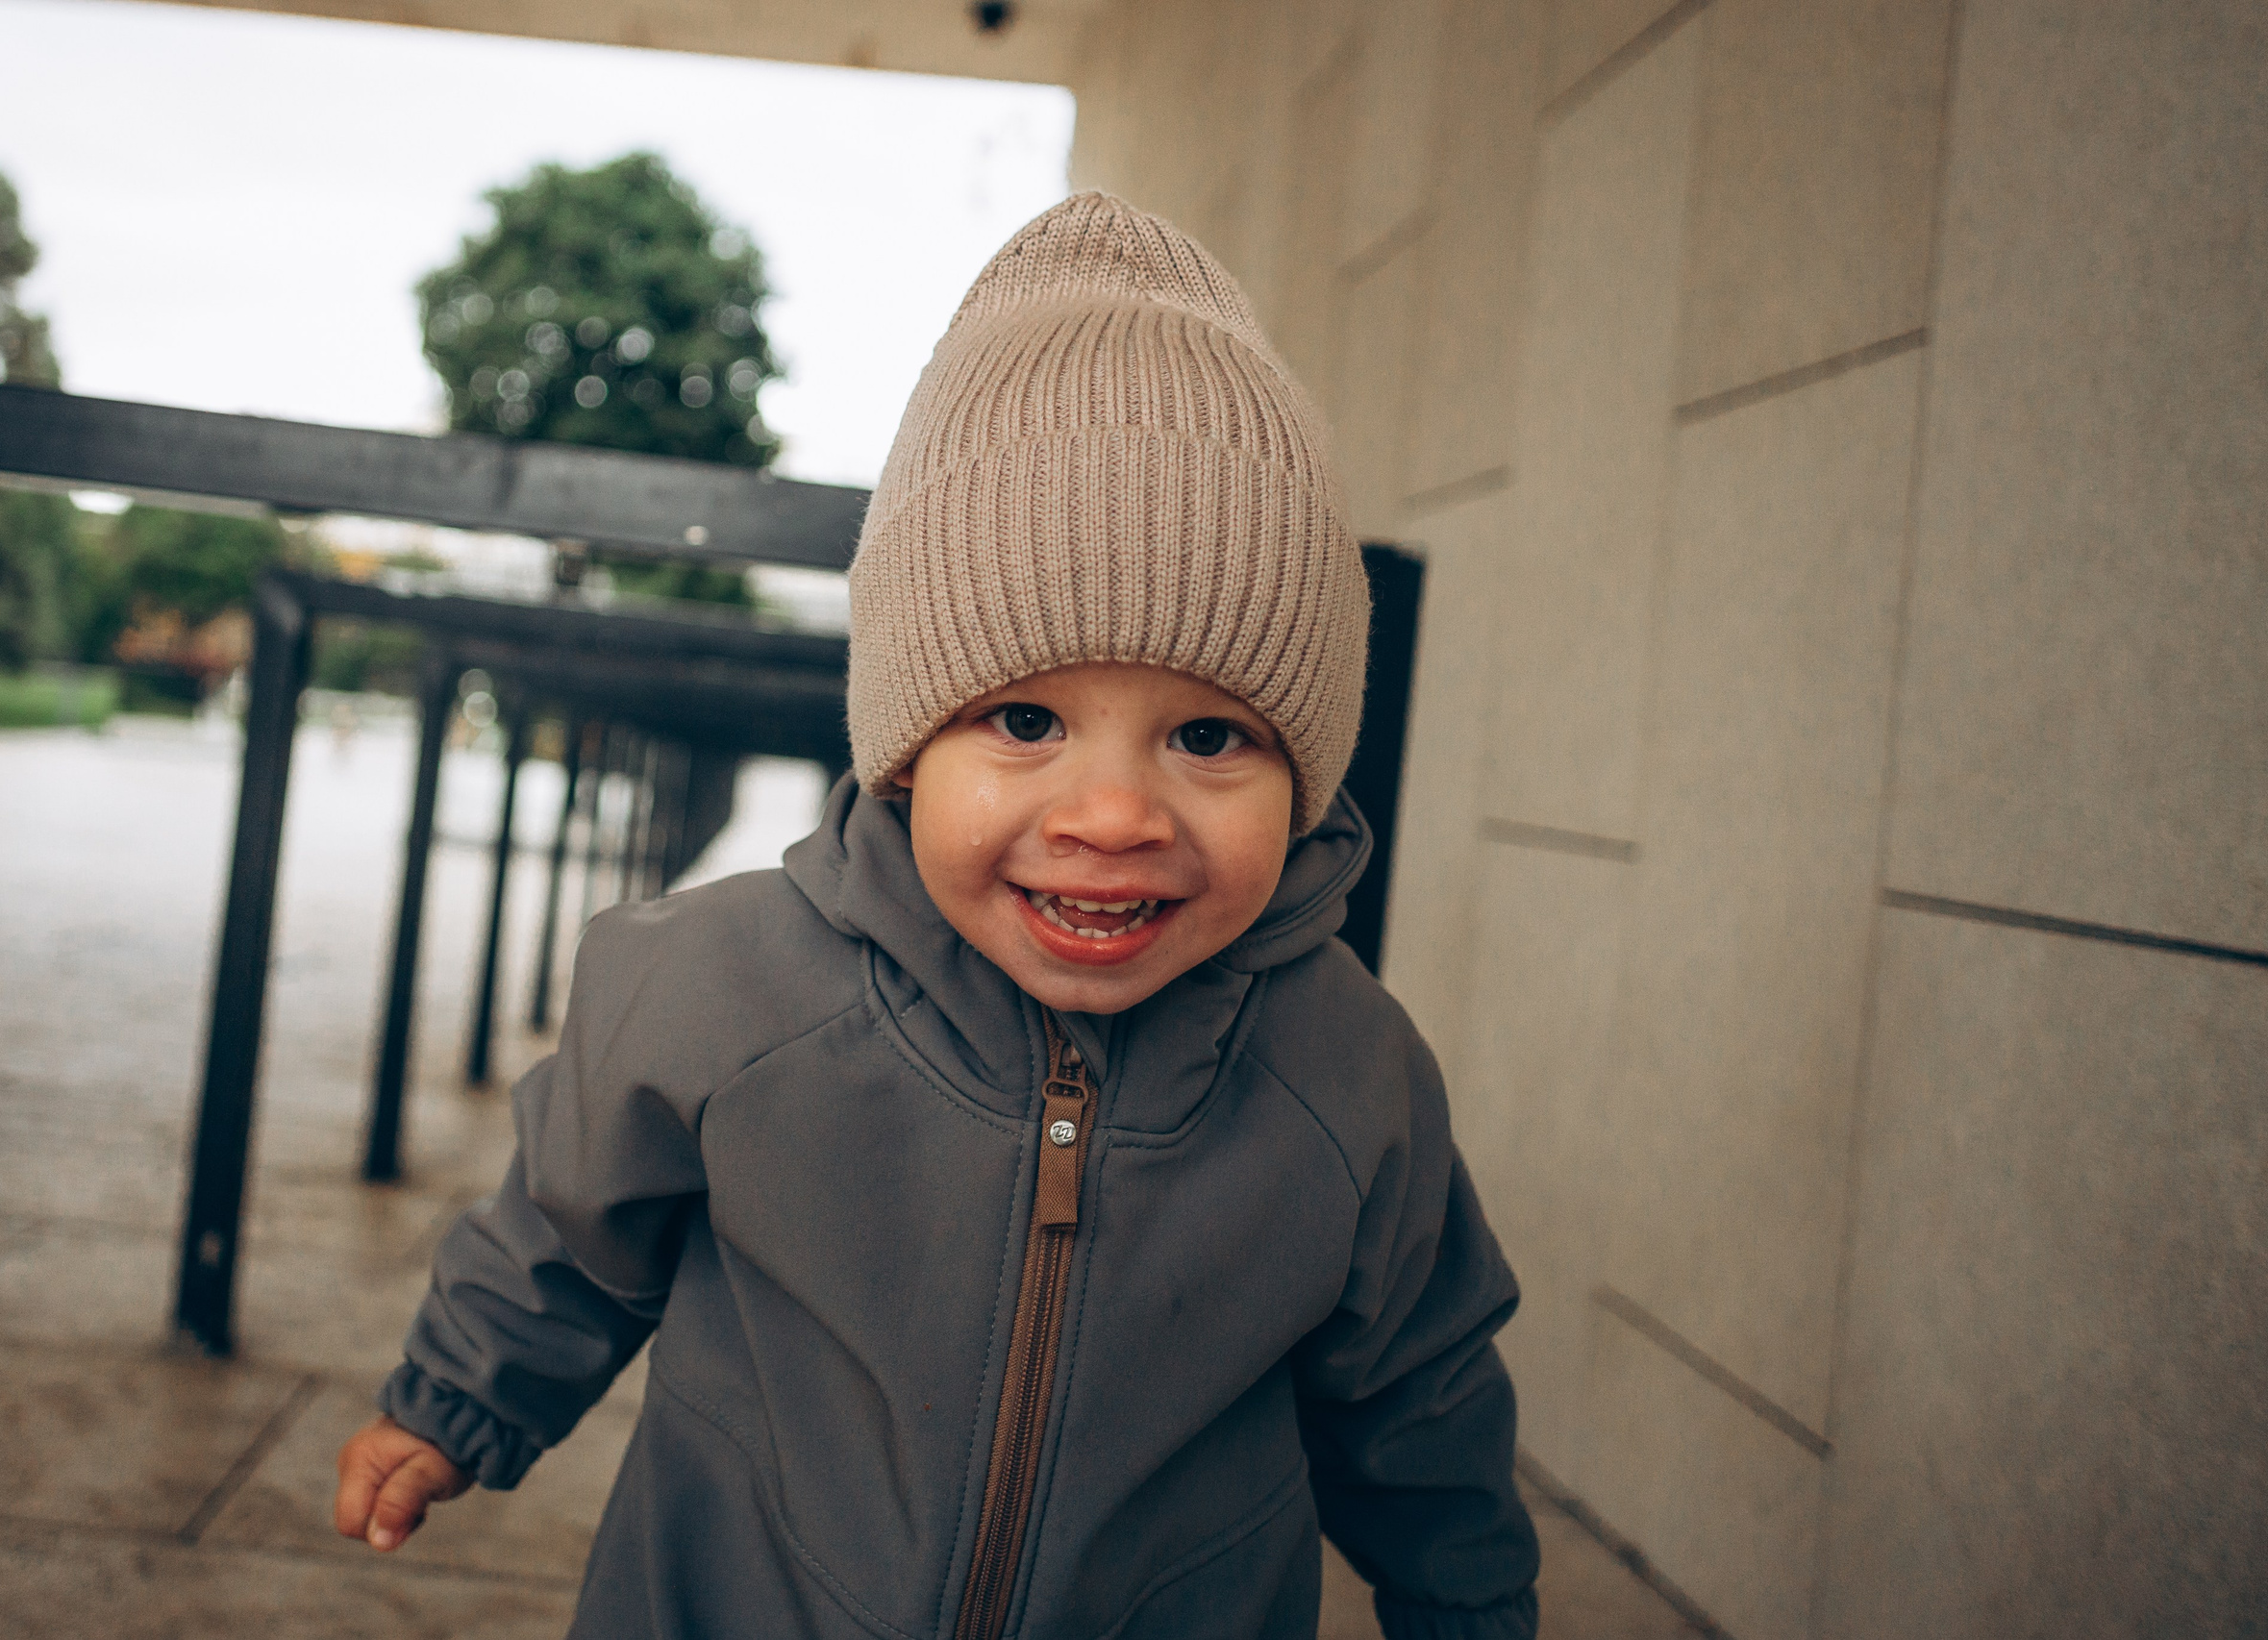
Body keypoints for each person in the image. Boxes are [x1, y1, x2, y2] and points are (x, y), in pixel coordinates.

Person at [334, 191, 1540, 1640]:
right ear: (905, 751)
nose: (1115, 816)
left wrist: (1468, 1602)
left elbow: (1420, 1392)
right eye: (1027, 719)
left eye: (1210, 738)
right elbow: (571, 1220)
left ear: (1309, 769)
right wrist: (461, 1398)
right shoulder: (729, 995)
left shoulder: (1348, 1082)